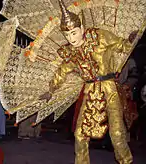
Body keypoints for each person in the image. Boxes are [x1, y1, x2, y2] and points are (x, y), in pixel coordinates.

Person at [40, 0, 138, 163]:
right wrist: (51, 90)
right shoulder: (71, 53)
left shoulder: (100, 36)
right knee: (80, 134)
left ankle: (126, 161)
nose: (71, 38)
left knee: (117, 133)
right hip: (90, 90)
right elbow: (61, 72)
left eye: (74, 33)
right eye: (67, 35)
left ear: (82, 29)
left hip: (110, 88)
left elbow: (122, 46)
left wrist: (130, 40)